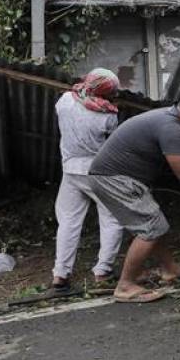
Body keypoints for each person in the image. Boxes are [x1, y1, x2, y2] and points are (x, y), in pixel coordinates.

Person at [87, 89, 180, 303]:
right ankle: (125, 285)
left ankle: (169, 269)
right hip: (115, 178)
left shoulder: (167, 118)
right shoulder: (171, 127)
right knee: (151, 226)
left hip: (116, 177)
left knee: (155, 221)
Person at [51, 69, 124, 291]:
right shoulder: (108, 115)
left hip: (71, 170)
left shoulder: (64, 101)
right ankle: (103, 271)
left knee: (68, 222)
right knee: (112, 219)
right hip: (99, 172)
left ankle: (60, 275)